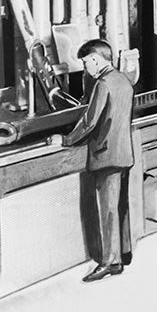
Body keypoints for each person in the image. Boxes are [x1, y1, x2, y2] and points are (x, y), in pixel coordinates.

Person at [47, 39, 135, 282]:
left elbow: (90, 121)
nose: (85, 68)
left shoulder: (103, 84)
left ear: (96, 60)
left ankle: (110, 262)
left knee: (107, 210)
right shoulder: (123, 80)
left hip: (106, 155)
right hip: (124, 153)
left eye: (86, 63)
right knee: (120, 206)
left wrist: (65, 140)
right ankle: (124, 252)